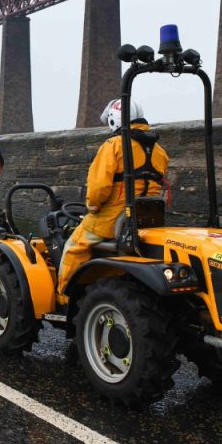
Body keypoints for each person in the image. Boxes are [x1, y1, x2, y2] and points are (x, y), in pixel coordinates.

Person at [56, 99, 170, 301]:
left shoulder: (113, 145)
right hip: (147, 218)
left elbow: (98, 188)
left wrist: (92, 207)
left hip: (113, 218)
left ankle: (65, 297)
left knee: (73, 246)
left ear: (114, 120)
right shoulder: (160, 151)